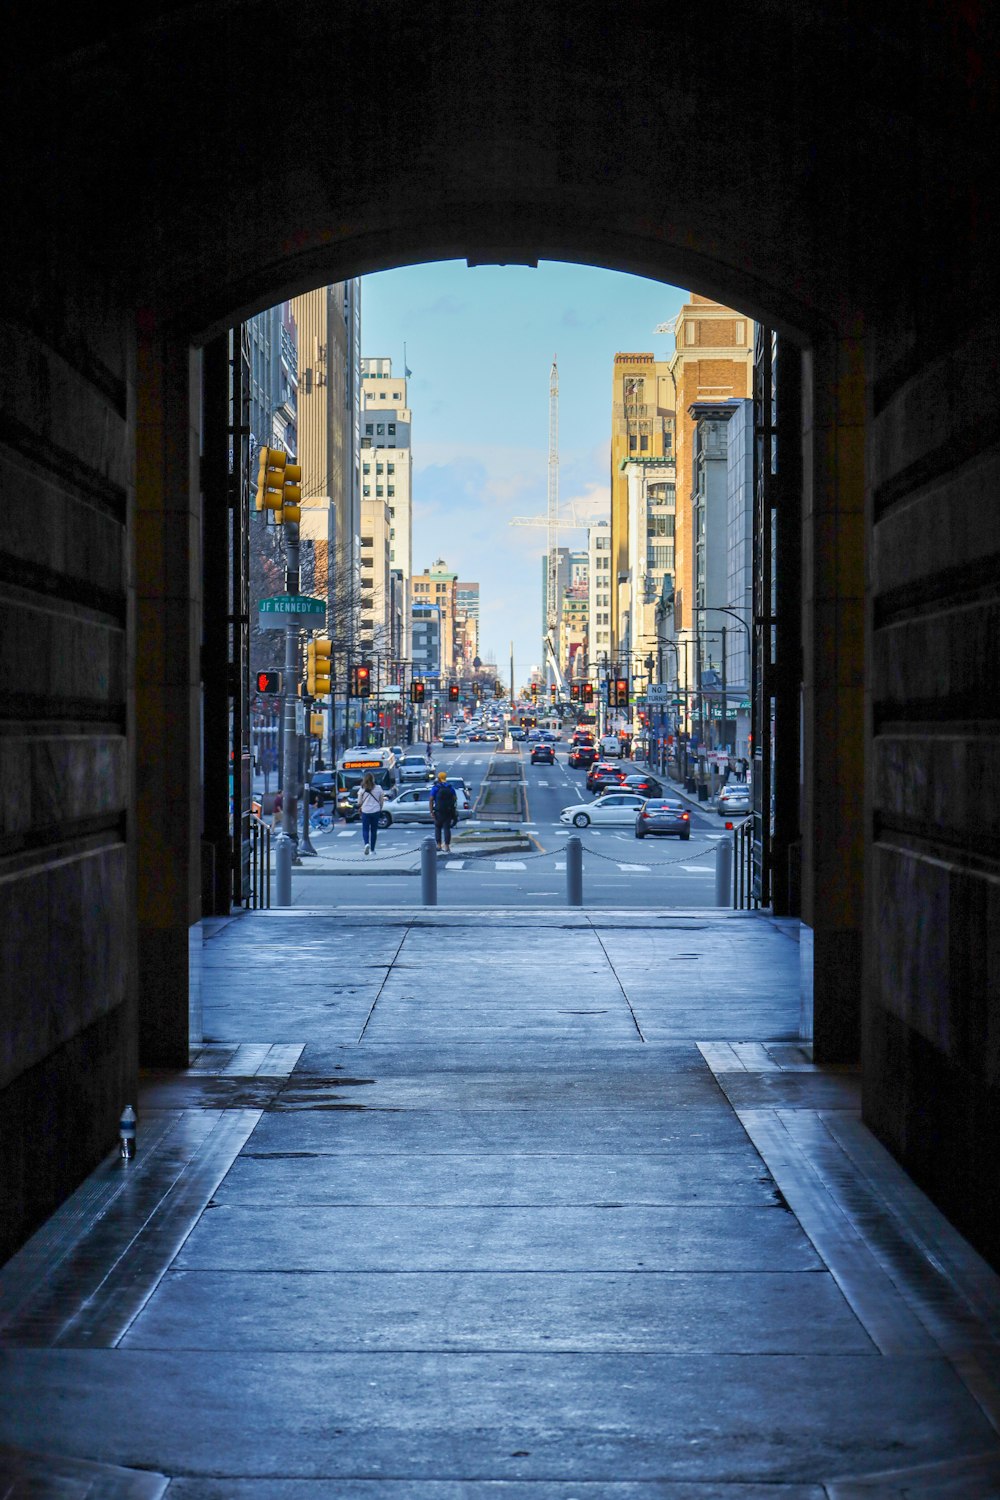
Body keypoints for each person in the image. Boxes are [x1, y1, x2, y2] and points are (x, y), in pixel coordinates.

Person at [356, 772, 385, 855]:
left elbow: (359, 802)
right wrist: (380, 808)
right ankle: (372, 849)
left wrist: (360, 807)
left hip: (365, 811)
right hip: (375, 811)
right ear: (373, 779)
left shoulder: (362, 789)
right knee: (373, 831)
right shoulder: (378, 788)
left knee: (365, 829)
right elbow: (381, 800)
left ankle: (366, 844)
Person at [429, 770, 458, 853]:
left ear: (438, 778)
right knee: (447, 828)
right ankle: (447, 846)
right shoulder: (450, 787)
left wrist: (431, 811)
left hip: (438, 811)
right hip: (448, 811)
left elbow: (431, 799)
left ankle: (438, 845)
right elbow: (455, 799)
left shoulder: (435, 788)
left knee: (438, 827)